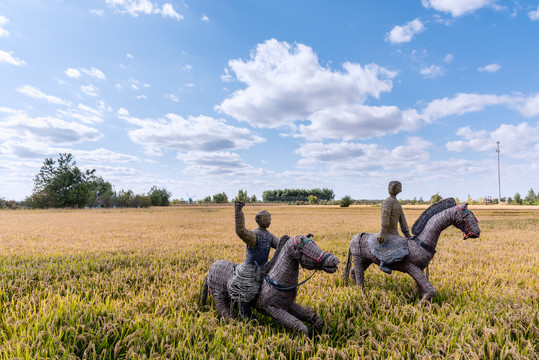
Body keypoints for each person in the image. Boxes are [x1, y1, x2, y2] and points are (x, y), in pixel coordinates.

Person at [227, 201, 279, 319]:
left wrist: (299, 241)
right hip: (250, 269)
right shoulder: (255, 236)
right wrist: (238, 211)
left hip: (263, 269)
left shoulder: (269, 236)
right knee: (246, 290)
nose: (269, 220)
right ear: (259, 220)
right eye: (266, 218)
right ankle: (245, 314)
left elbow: (281, 244)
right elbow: (240, 231)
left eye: (269, 218)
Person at [377, 181, 411, 274]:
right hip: (391, 233)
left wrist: (407, 235)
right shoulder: (395, 203)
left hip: (390, 233)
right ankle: (383, 262)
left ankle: (386, 262)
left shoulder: (389, 202)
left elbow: (388, 221)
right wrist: (407, 235)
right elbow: (401, 222)